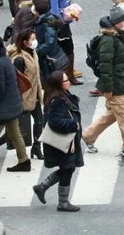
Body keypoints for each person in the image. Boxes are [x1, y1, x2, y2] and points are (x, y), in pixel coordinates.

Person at [82, 6, 124, 159]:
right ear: (117, 23)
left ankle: (88, 136)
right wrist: (109, 89)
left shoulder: (116, 36)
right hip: (115, 86)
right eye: (123, 20)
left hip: (119, 83)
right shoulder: (109, 40)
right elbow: (106, 67)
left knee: (112, 114)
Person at [31, 70, 83, 212]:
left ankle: (42, 187)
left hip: (67, 140)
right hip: (63, 141)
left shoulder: (61, 96)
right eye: (66, 81)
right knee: (67, 168)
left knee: (68, 168)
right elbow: (54, 122)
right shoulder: (58, 100)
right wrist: (73, 124)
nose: (68, 83)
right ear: (59, 84)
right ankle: (63, 203)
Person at [0, 33, 30, 171]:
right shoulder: (5, 59)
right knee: (15, 133)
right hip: (13, 103)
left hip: (3, 107)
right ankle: (24, 160)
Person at [5, 28, 43, 160]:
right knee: (17, 127)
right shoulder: (19, 60)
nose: (35, 41)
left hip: (35, 95)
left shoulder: (33, 53)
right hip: (23, 98)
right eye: (33, 39)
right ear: (25, 42)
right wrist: (18, 100)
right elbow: (16, 82)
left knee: (39, 121)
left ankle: (37, 147)